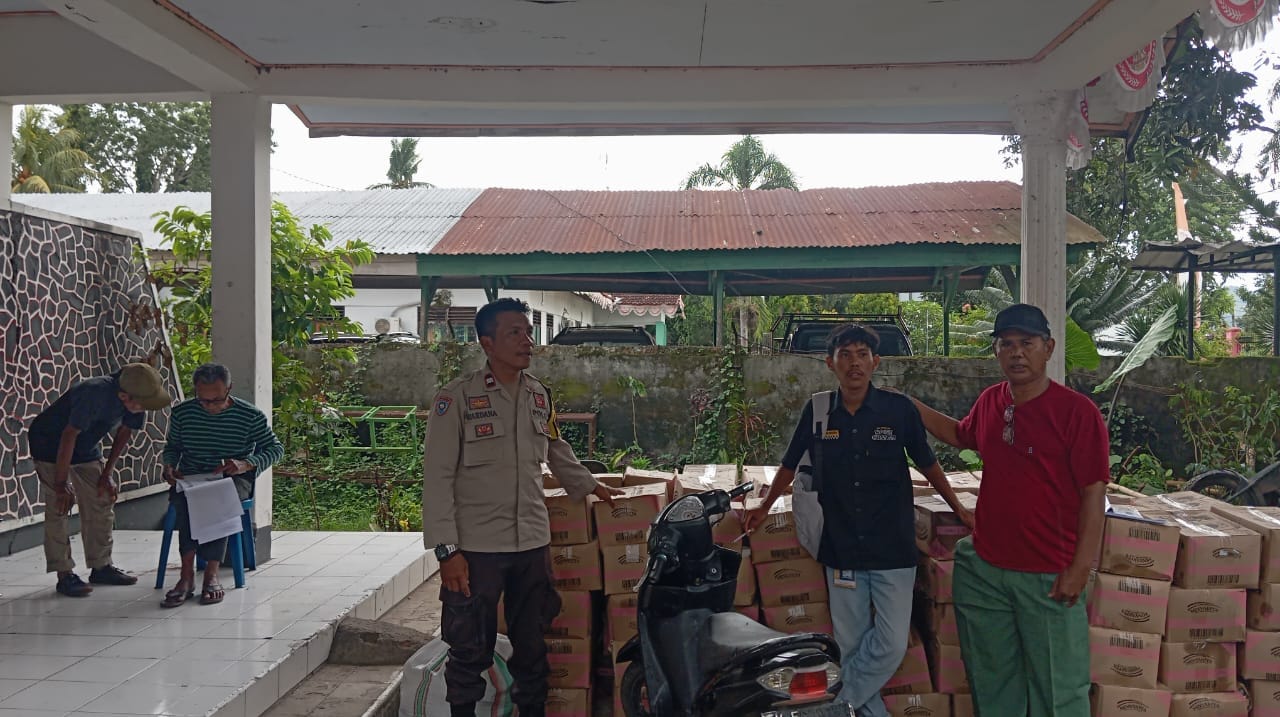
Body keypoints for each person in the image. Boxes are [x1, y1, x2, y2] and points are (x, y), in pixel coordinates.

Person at [744, 324, 973, 717]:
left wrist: (959, 507)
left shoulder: (897, 410)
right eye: (845, 355)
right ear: (830, 363)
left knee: (891, 643)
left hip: (893, 547)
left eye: (862, 354)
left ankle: (828, 706)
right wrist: (764, 506)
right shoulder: (818, 410)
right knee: (850, 646)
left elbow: (929, 464)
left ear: (875, 362)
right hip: (841, 546)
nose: (855, 363)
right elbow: (790, 462)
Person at [904, 303, 1109, 717]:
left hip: (1048, 572)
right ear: (996, 351)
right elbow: (961, 434)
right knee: (992, 681)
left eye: (1027, 343)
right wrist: (911, 407)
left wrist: (1080, 567)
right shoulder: (992, 401)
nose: (1017, 353)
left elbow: (1094, 493)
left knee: (1059, 690)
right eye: (1007, 344)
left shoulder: (1076, 413)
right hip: (986, 568)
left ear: (1048, 348)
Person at [423, 297, 621, 717]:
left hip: (531, 543)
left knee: (533, 645)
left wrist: (589, 485)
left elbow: (555, 448)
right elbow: (436, 478)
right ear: (487, 343)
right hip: (477, 548)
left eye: (529, 332)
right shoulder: (457, 399)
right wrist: (447, 551)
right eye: (515, 333)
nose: (527, 341)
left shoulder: (537, 394)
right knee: (469, 647)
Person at [27, 362, 172, 597]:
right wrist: (61, 484)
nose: (144, 408)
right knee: (59, 505)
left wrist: (106, 474)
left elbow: (125, 432)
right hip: (50, 443)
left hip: (85, 445)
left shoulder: (139, 394)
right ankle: (64, 574)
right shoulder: (93, 392)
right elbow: (68, 436)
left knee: (102, 498)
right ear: (124, 396)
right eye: (142, 404)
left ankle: (101, 566)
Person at [160, 363, 283, 607]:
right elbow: (172, 448)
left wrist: (246, 463)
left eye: (216, 400)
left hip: (232, 477)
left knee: (217, 500)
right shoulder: (183, 413)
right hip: (193, 476)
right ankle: (186, 575)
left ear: (229, 389)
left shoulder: (250, 416)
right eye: (203, 400)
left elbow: (275, 449)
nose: (210, 406)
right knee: (185, 501)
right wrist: (169, 466)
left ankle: (211, 574)